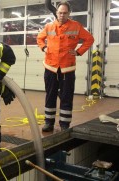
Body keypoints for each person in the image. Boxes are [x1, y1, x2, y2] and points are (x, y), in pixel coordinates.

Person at [37, 1, 94, 132]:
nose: (62, 15)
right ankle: (48, 122)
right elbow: (40, 38)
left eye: (64, 13)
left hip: (67, 68)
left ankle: (64, 124)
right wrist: (44, 47)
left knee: (66, 96)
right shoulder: (49, 26)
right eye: (60, 12)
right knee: (50, 95)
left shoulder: (76, 26)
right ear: (56, 13)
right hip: (50, 67)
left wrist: (79, 51)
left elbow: (89, 39)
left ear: (69, 13)